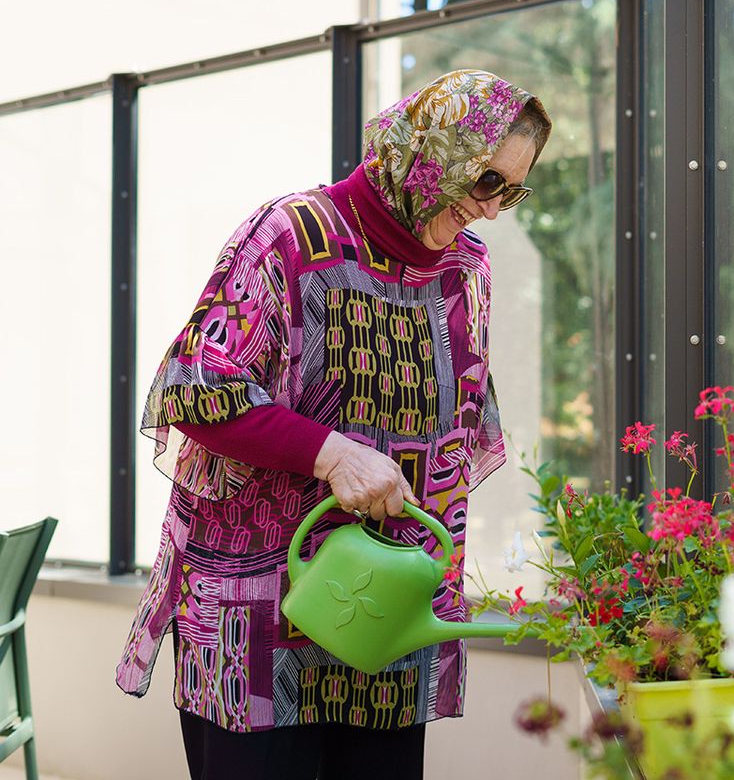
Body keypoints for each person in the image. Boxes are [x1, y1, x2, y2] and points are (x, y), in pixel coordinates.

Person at [114, 69, 552, 779]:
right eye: (485, 180)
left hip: (387, 619)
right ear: (431, 151)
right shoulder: (290, 233)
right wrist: (332, 454)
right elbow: (196, 387)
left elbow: (459, 429)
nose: (492, 208)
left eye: (511, 191)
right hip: (254, 620)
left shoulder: (465, 268)